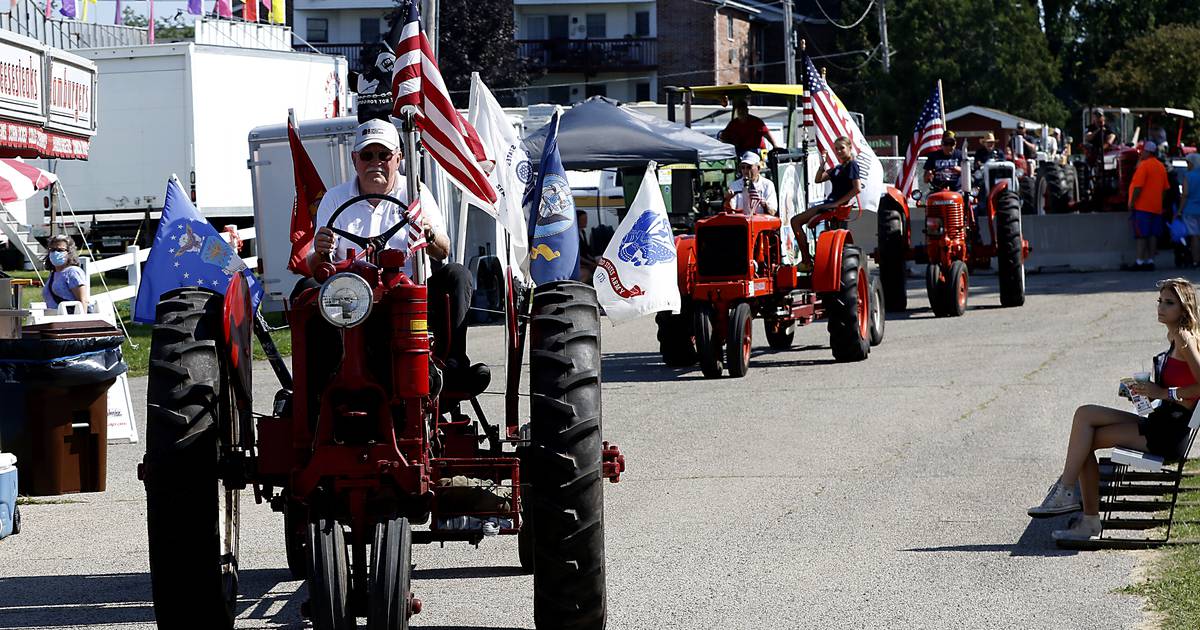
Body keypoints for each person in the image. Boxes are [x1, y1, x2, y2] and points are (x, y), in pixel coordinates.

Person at [308, 118, 487, 392]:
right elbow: (317, 264)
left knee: (457, 274)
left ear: (399, 158)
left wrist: (427, 233)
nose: (375, 162)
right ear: (355, 159)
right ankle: (321, 384)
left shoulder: (415, 192)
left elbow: (443, 249)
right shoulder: (335, 199)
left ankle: (451, 365)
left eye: (384, 155)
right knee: (307, 291)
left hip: (410, 298)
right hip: (354, 305)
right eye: (367, 155)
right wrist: (321, 251)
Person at [1028, 278, 1200, 541]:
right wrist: (1145, 392)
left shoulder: (1185, 337)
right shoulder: (1175, 336)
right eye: (1160, 301)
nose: (1160, 307)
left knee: (1083, 444)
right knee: (1084, 414)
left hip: (1168, 434)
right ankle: (1069, 494)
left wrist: (1164, 392)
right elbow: (1178, 386)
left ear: (1184, 307)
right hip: (1160, 421)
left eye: (1169, 303)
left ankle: (1080, 509)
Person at [788, 137, 859, 271]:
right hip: (828, 205)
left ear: (850, 148)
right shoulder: (838, 168)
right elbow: (818, 179)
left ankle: (807, 260)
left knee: (796, 221)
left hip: (833, 206)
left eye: (842, 148)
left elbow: (857, 188)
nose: (839, 151)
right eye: (836, 149)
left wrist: (836, 203)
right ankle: (808, 260)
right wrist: (823, 165)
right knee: (796, 221)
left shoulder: (852, 165)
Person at [1128, 140, 1170, 271]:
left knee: (1141, 235)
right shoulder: (1161, 166)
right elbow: (1165, 189)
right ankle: (1150, 261)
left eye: (1142, 151)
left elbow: (1138, 187)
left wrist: (1132, 202)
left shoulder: (1144, 166)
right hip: (1156, 207)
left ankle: (1139, 261)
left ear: (1147, 152)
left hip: (1142, 207)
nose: (1141, 153)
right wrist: (1158, 201)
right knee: (1153, 235)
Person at [41, 234, 89, 312]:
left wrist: (81, 321)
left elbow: (83, 301)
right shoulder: (54, 274)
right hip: (53, 318)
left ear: (69, 252)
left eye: (60, 250)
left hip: (69, 319)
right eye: (52, 250)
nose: (55, 253)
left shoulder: (73, 272)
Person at [724, 151, 778, 216]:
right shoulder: (734, 185)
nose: (745, 171)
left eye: (749, 167)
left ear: (758, 168)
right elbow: (730, 213)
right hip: (741, 223)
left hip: (761, 223)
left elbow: (772, 212)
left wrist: (764, 205)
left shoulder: (768, 185)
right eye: (743, 167)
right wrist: (728, 200)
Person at [1180, 154, 1200, 267]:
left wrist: (1179, 210)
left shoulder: (1188, 176)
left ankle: (1196, 260)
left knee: (1194, 236)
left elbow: (1185, 194)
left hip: (1190, 210)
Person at [577, 209, 598, 282]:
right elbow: (578, 256)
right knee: (588, 271)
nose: (586, 221)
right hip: (580, 263)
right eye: (583, 219)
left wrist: (593, 260)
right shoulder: (575, 235)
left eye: (586, 219)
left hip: (585, 260)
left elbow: (586, 252)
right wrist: (591, 263)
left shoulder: (583, 232)